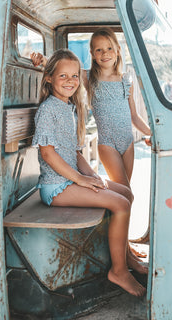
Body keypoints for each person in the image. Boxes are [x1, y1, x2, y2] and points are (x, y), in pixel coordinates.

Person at [32, 48, 147, 297]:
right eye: (63, 76)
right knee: (120, 205)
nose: (71, 81)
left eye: (75, 76)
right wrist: (80, 180)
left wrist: (92, 176)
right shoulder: (48, 109)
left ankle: (125, 255)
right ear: (49, 77)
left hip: (71, 180)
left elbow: (74, 153)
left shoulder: (67, 107)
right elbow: (48, 154)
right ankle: (119, 271)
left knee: (126, 193)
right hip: (56, 187)